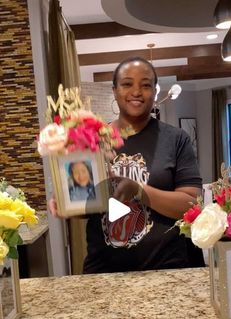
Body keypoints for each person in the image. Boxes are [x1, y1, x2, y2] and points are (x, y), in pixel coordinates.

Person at [50, 56, 203, 273]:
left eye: (146, 85)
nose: (137, 91)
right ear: (114, 90)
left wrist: (139, 190)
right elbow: (90, 204)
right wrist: (68, 205)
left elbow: (191, 204)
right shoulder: (92, 139)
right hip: (103, 272)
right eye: (127, 84)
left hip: (165, 271)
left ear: (155, 91)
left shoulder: (175, 139)